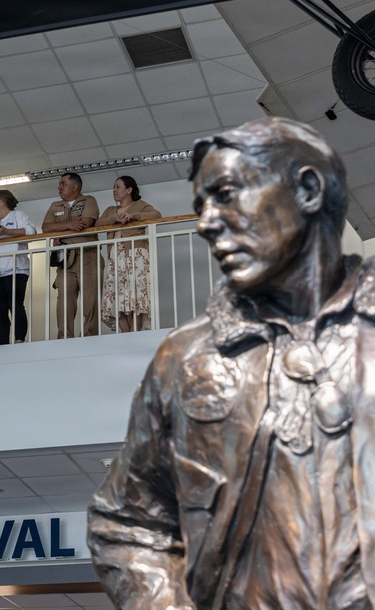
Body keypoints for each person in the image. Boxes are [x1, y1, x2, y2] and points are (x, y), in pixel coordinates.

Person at [87, 117, 375, 609]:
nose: (206, 222)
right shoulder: (184, 359)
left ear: (307, 189)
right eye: (201, 206)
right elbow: (128, 522)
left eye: (225, 194)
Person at [95, 176, 161, 332]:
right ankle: (126, 332)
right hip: (115, 254)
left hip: (136, 253)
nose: (114, 190)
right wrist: (115, 219)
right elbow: (97, 223)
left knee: (136, 290)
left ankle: (135, 330)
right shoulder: (111, 210)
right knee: (116, 292)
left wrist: (134, 216)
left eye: (118, 187)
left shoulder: (139, 205)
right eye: (114, 187)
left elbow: (156, 215)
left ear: (129, 190)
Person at [42, 173, 100, 338]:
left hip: (87, 256)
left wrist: (59, 230)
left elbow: (85, 223)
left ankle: (90, 336)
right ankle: (64, 338)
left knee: (90, 300)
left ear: (74, 186)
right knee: (64, 302)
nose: (59, 187)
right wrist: (69, 225)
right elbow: (46, 227)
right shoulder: (55, 205)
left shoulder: (88, 201)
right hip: (65, 260)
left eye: (63, 183)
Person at [0, 190, 36, 344]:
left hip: (16, 269)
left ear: (3, 202)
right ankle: (2, 342)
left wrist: (6, 232)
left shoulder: (18, 216)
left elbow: (30, 231)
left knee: (15, 304)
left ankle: (19, 339)